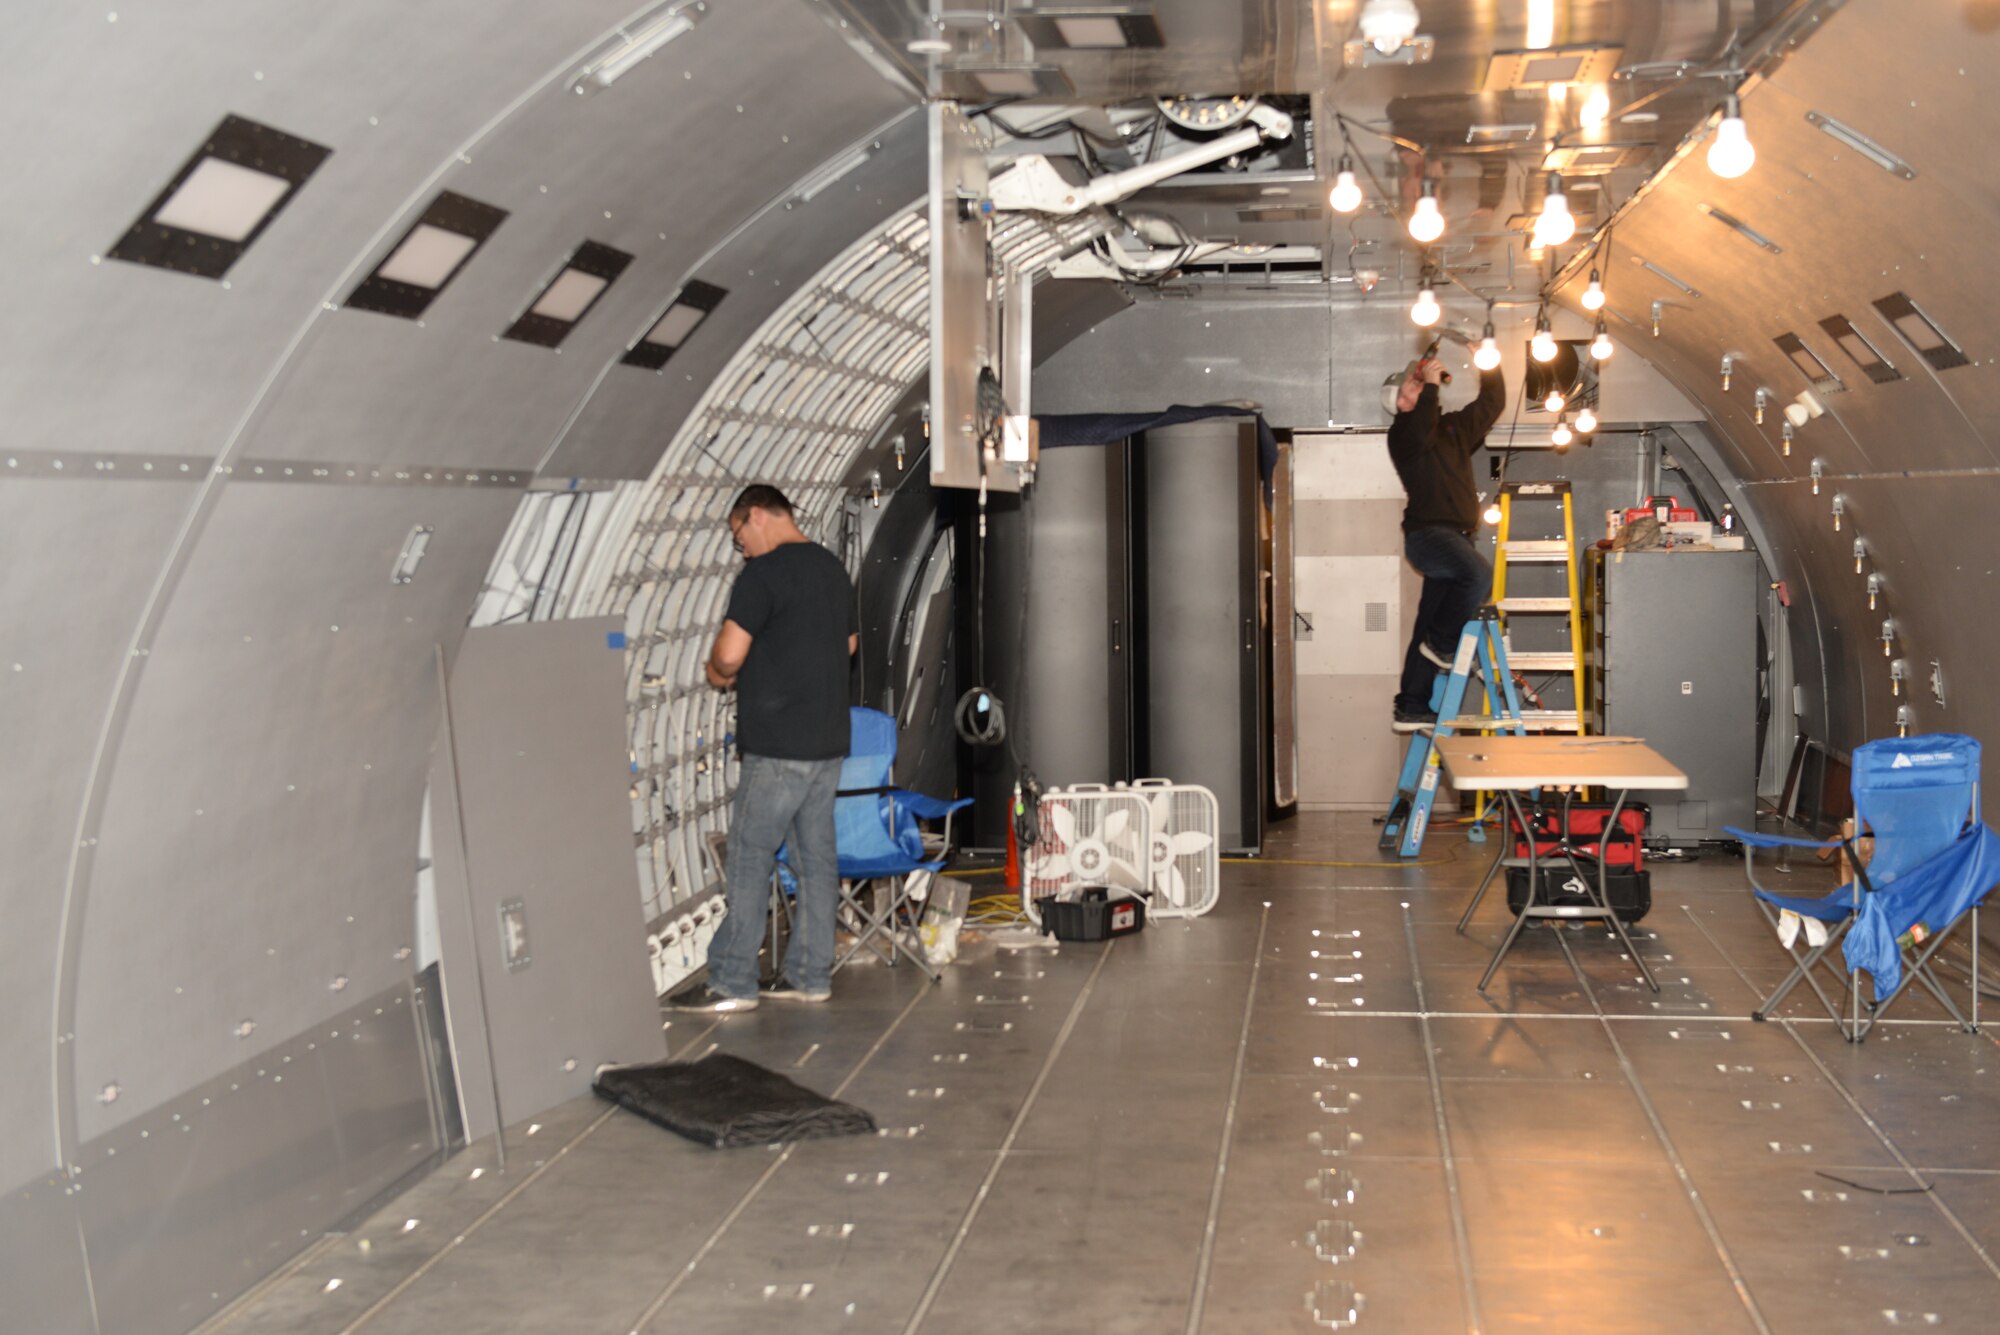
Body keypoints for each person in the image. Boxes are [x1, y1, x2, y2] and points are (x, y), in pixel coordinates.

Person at [671, 485, 859, 1012]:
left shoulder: (762, 575)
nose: (742, 549)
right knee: (816, 861)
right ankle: (809, 976)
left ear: (755, 516)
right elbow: (847, 645)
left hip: (778, 747)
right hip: (827, 745)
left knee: (751, 858)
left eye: (739, 537)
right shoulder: (830, 569)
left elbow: (729, 658)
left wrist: (715, 670)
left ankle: (732, 981)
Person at [1387, 349, 1506, 733]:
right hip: (1428, 536)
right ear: (1399, 402)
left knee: (1428, 623)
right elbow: (1421, 427)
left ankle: (1411, 704)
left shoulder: (1453, 429)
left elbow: (1492, 404)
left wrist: (1491, 363)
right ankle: (1442, 645)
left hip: (1456, 538)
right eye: (1412, 388)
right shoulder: (1402, 435)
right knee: (1478, 576)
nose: (1420, 391)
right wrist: (1431, 388)